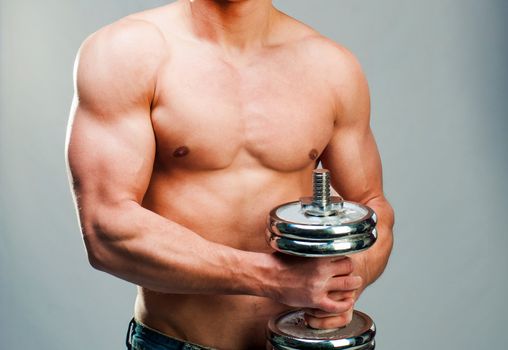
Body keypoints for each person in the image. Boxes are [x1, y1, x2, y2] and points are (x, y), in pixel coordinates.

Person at [65, 0, 394, 349]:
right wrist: (273, 278)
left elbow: (373, 208)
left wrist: (344, 283)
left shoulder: (331, 67)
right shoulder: (126, 52)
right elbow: (107, 229)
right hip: (177, 341)